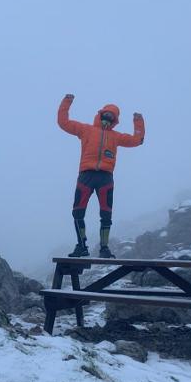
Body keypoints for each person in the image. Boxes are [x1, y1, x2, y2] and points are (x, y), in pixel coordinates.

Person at [57, 93, 145, 258]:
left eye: (111, 117)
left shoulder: (116, 136)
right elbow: (63, 123)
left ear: (115, 120)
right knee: (78, 211)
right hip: (86, 175)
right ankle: (81, 246)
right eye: (106, 115)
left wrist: (138, 121)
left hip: (105, 177)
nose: (108, 119)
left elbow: (137, 140)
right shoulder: (86, 130)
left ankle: (104, 248)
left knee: (106, 213)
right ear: (100, 114)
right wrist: (67, 101)